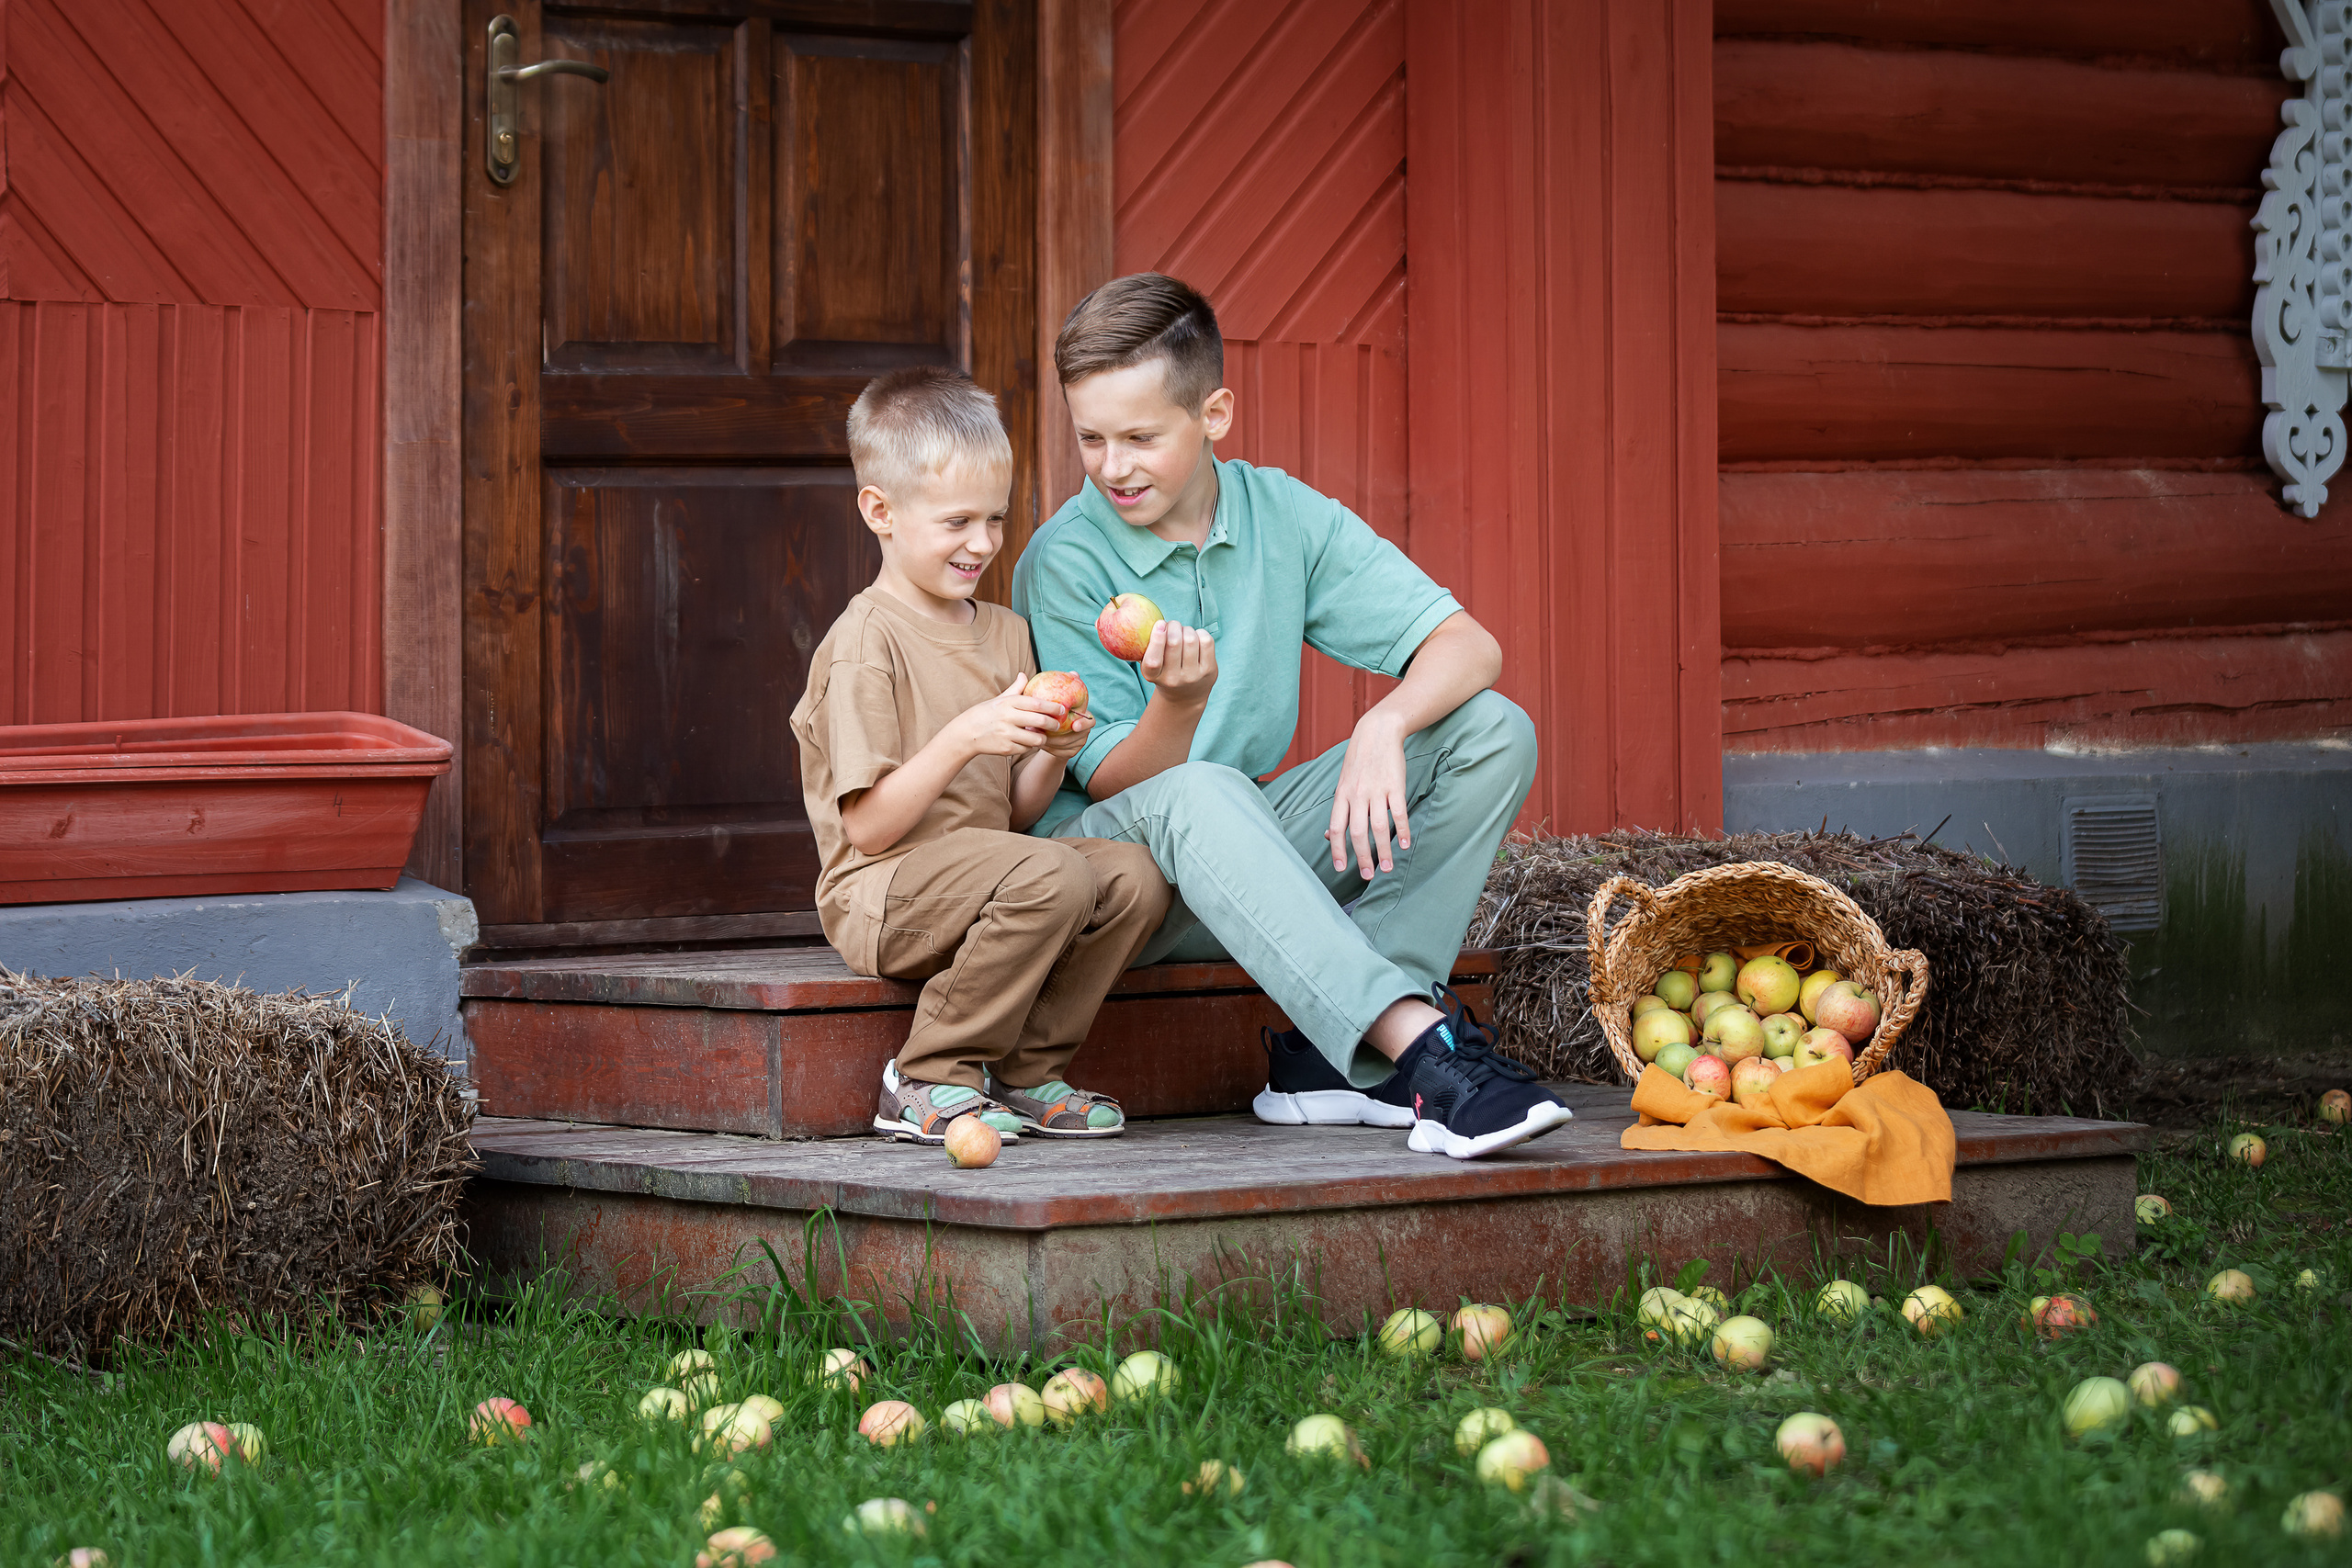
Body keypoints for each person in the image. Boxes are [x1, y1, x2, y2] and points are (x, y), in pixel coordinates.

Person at [1011, 274, 1570, 1160]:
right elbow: (1115, 780)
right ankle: (1423, 1051)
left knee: (1492, 728)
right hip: (1120, 881)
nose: (1113, 466)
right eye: (1091, 438)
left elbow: (1468, 645)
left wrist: (1385, 725)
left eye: (1141, 437)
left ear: (1215, 414)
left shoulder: (1281, 514)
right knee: (1201, 788)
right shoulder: (1065, 560)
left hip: (1248, 852)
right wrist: (1180, 702)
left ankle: (1336, 1058)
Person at [790, 366, 1170, 1145]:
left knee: (1134, 875)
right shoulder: (864, 643)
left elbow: (1014, 813)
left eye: (995, 519)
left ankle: (1027, 1070)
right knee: (1053, 872)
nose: (983, 543)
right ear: (881, 511)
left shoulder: (1004, 633)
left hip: (990, 874)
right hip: (882, 894)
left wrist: (1054, 752)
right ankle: (927, 1071)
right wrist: (968, 732)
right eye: (957, 521)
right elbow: (868, 828)